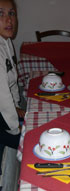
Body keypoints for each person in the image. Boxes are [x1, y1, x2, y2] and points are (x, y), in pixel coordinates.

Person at [0, 0, 25, 153]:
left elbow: (13, 81)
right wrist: (16, 128)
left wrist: (16, 107)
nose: (9, 20)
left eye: (11, 13)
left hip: (4, 110)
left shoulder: (6, 42)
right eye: (0, 14)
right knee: (32, 141)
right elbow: (2, 97)